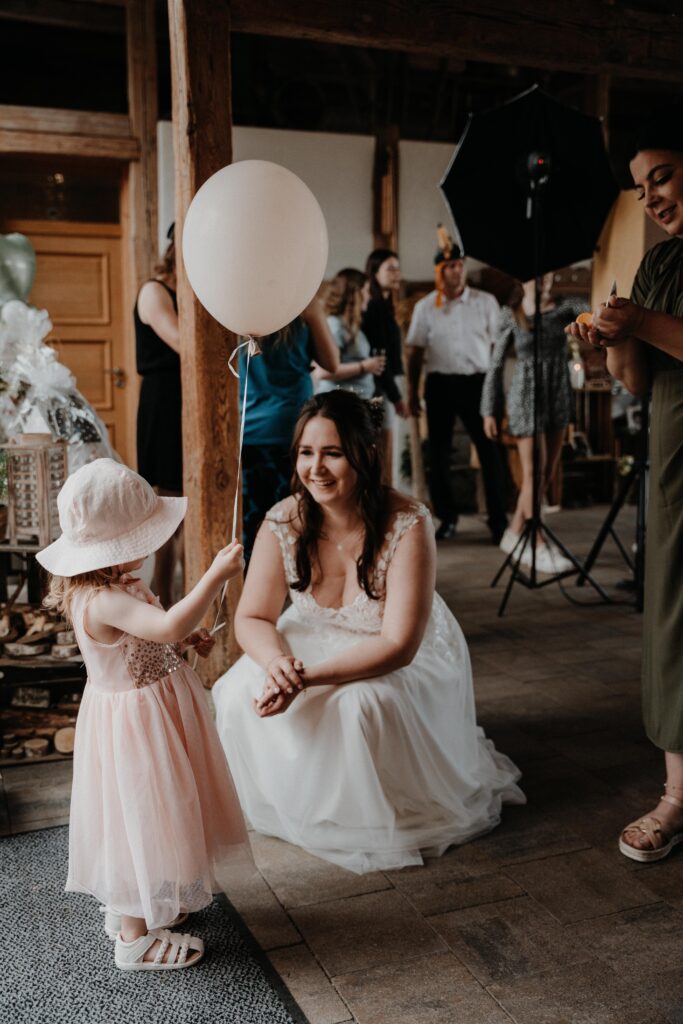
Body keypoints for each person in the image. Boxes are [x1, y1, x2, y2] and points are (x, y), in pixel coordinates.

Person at [212, 390, 524, 874]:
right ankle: (294, 798)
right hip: (312, 635)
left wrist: (306, 679)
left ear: (367, 453)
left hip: (400, 645)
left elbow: (398, 645)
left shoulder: (408, 523)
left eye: (333, 453)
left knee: (360, 706)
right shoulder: (282, 520)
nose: (316, 468)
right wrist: (278, 666)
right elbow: (251, 617)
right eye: (306, 452)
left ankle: (365, 813)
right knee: (237, 690)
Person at [37, 459, 249, 970]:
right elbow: (169, 622)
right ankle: (132, 938)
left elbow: (159, 633)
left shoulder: (119, 586)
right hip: (137, 725)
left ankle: (142, 905)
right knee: (142, 815)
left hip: (152, 710)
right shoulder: (101, 599)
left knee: (161, 815)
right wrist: (216, 575)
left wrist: (179, 644)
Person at [567, 123, 683, 863]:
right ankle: (677, 796)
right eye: (643, 189)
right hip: (675, 458)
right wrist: (609, 341)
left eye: (664, 177)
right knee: (673, 612)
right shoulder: (656, 264)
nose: (653, 198)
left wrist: (638, 320)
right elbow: (638, 383)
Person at [406, 232, 508, 543]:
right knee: (438, 454)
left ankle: (498, 521)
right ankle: (447, 519)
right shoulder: (425, 306)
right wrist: (412, 391)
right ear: (440, 270)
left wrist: (496, 392)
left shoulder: (485, 302)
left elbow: (498, 349)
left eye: (460, 264)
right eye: (450, 265)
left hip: (478, 383)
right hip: (439, 383)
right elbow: (415, 351)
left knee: (491, 451)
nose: (456, 270)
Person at [481, 275, 587, 573]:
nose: (546, 280)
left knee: (546, 473)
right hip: (525, 395)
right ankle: (537, 542)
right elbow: (496, 363)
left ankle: (513, 534)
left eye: (552, 273)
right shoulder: (511, 313)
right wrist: (489, 409)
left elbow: (591, 313)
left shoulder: (565, 308)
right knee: (534, 473)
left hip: (557, 392)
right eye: (540, 274)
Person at [241, 297, 339, 560]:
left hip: (247, 428)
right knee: (297, 518)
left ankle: (259, 586)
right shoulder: (302, 303)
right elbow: (332, 362)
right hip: (293, 428)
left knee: (253, 524)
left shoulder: (236, 305)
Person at [134, 224, 183, 607]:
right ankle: (162, 601)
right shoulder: (154, 291)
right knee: (168, 507)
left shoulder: (194, 293)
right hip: (165, 401)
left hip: (193, 399)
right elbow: (184, 341)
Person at [362, 249, 408, 481]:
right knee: (382, 450)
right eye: (390, 268)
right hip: (380, 386)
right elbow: (380, 357)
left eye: (398, 268)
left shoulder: (386, 305)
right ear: (374, 273)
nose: (396, 273)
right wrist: (396, 396)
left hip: (387, 383)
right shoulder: (375, 307)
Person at [313, 268, 386, 398]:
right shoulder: (335, 325)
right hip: (338, 404)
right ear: (355, 294)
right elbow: (322, 372)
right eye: (366, 291)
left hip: (353, 402)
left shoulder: (350, 326)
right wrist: (364, 366)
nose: (369, 296)